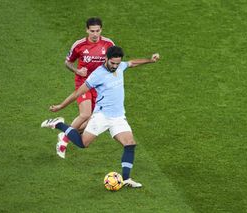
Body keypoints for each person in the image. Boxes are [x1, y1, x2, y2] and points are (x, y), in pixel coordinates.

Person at [41, 46, 160, 188]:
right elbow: (78, 92)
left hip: (118, 117)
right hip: (101, 116)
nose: (115, 66)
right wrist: (61, 106)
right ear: (106, 59)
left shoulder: (120, 66)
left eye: (117, 63)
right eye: (112, 63)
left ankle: (126, 178)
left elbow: (132, 63)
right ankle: (59, 124)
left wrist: (150, 61)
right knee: (82, 143)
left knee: (130, 144)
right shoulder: (98, 75)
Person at [57, 17, 115, 159]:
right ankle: (64, 139)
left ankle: (65, 131)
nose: (95, 34)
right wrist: (77, 71)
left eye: (97, 31)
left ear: (101, 30)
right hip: (84, 83)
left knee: (92, 121)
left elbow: (114, 63)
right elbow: (68, 62)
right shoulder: (79, 45)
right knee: (85, 114)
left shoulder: (108, 44)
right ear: (87, 30)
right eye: (92, 31)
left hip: (100, 86)